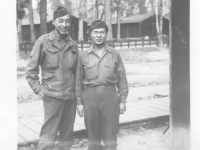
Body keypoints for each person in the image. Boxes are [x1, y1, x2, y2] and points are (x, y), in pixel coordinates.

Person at [26, 6, 79, 150]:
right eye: (60, 21)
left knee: (67, 137)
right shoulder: (43, 42)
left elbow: (77, 72)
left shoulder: (73, 44)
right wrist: (39, 90)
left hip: (70, 97)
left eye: (67, 21)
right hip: (52, 97)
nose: (64, 25)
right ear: (54, 22)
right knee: (48, 136)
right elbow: (31, 71)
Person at [76, 20, 129, 150]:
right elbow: (78, 80)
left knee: (111, 134)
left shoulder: (114, 54)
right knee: (93, 136)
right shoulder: (83, 55)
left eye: (102, 32)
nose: (99, 35)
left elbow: (122, 79)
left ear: (106, 34)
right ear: (90, 34)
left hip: (110, 96)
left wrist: (122, 100)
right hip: (90, 97)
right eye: (95, 32)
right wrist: (79, 103)